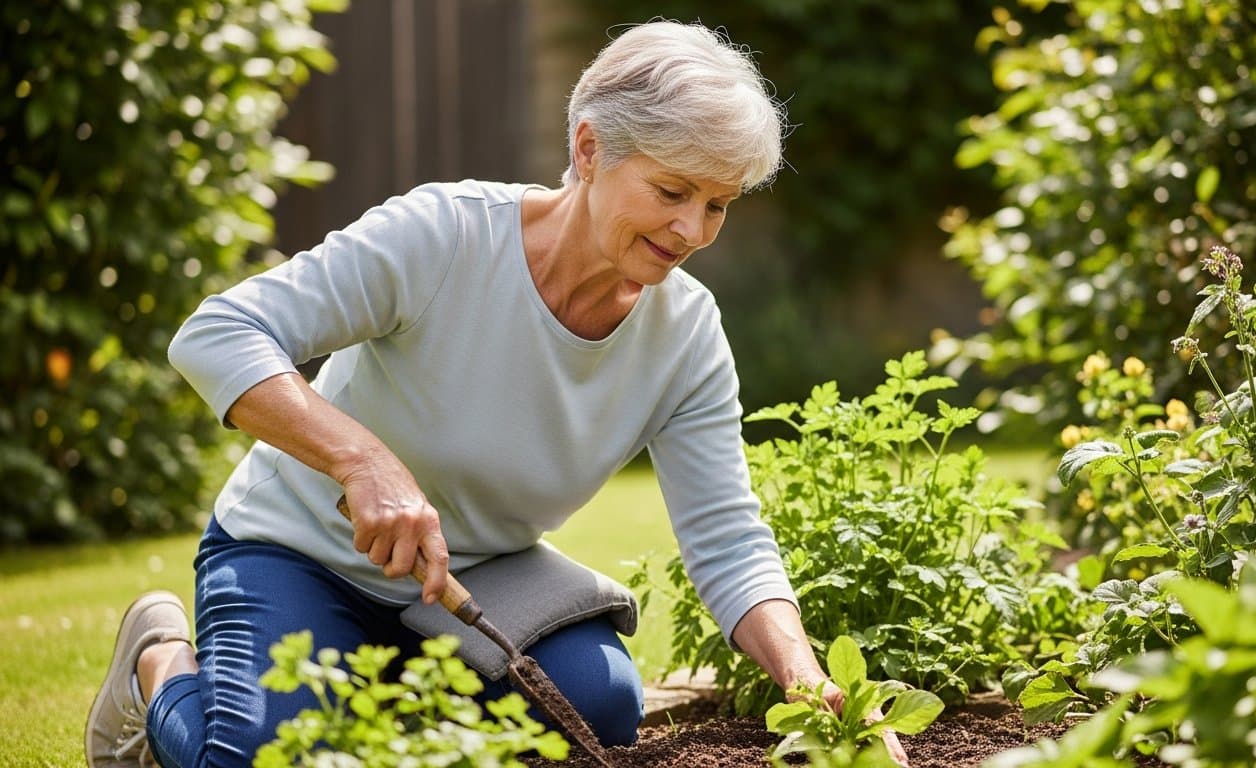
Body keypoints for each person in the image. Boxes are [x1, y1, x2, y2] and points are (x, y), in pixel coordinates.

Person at [85, 20, 909, 767]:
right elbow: (216, 333)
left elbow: (728, 539)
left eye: (718, 204)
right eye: (671, 192)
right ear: (589, 149)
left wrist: (809, 682)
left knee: (600, 710)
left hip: (477, 580)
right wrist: (361, 460)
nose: (692, 231)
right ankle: (160, 665)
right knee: (263, 758)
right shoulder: (444, 237)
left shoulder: (685, 334)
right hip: (296, 552)